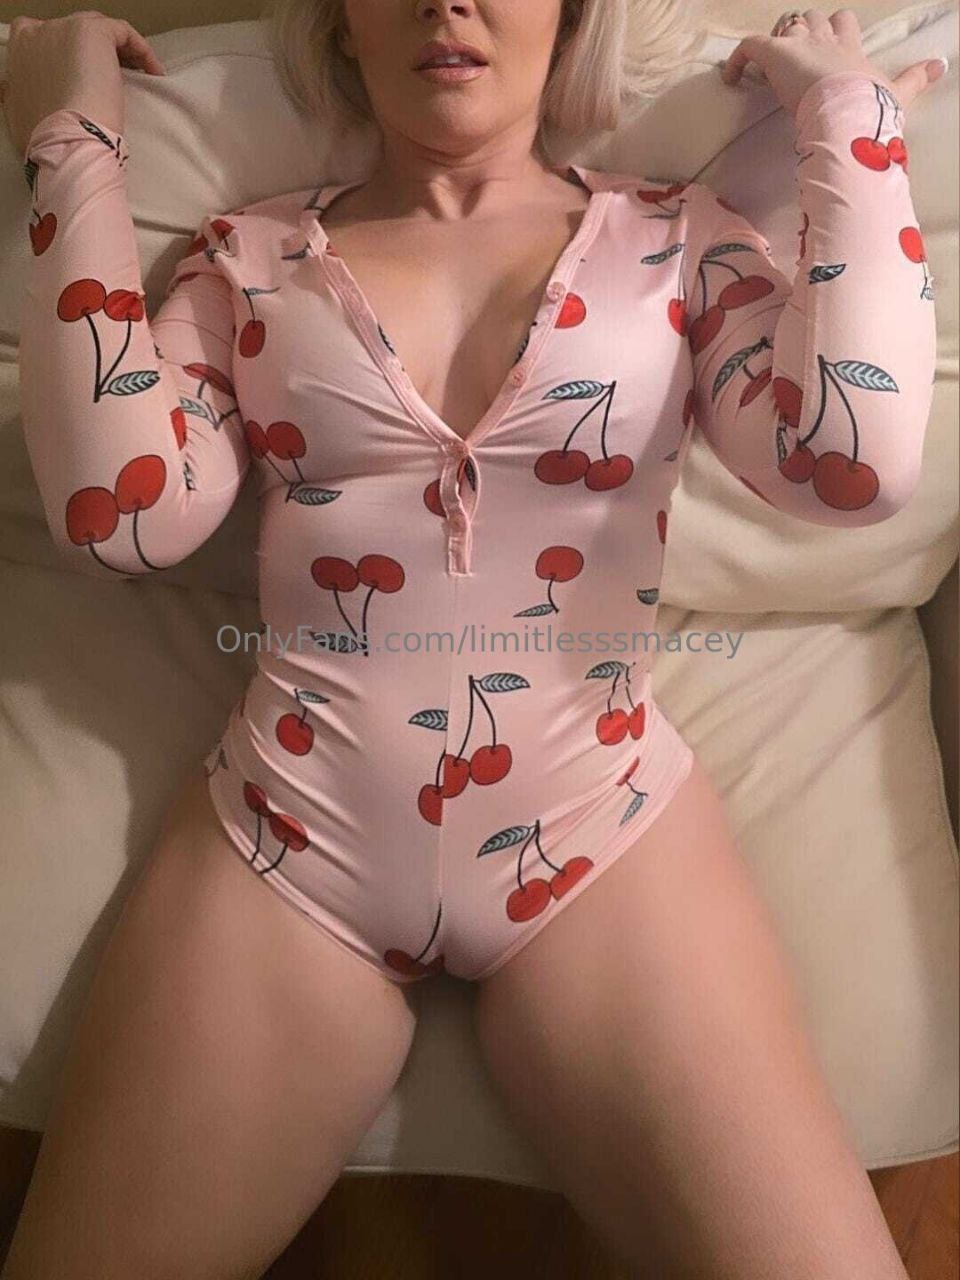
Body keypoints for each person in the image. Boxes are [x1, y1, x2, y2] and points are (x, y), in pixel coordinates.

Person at [1, 3, 945, 1275]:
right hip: (293, 841)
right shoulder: (250, 259)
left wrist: (849, 123)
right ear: (345, 22)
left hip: (599, 836)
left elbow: (853, 462)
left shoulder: (679, 239)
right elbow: (118, 512)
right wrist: (71, 135)